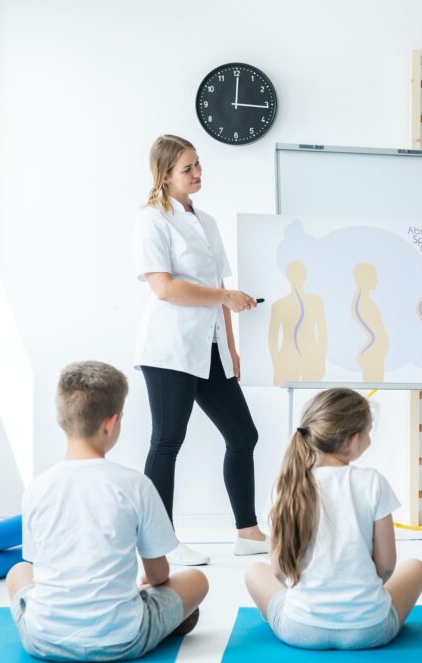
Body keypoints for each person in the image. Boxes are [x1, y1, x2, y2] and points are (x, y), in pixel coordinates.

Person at [5, 361, 209, 662]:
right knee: (197, 581)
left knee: (18, 571)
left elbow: (39, 566)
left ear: (61, 419)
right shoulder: (136, 485)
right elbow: (158, 575)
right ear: (111, 424)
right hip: (124, 639)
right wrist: (146, 585)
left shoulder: (36, 488)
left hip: (42, 639)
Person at [133, 134, 267, 566]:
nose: (197, 173)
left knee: (243, 434)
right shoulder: (153, 220)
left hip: (211, 348)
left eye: (198, 165)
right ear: (165, 174)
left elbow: (220, 289)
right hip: (170, 348)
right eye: (188, 168)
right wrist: (224, 300)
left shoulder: (206, 222)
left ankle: (247, 532)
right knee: (167, 441)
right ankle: (160, 543)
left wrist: (232, 349)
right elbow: (165, 288)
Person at [244, 388, 422, 650]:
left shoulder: (286, 485)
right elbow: (386, 568)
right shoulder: (373, 482)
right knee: (416, 568)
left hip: (299, 629)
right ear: (352, 441)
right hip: (370, 629)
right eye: (368, 432)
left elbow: (278, 571)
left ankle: (290, 611)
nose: (370, 440)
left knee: (254, 572)